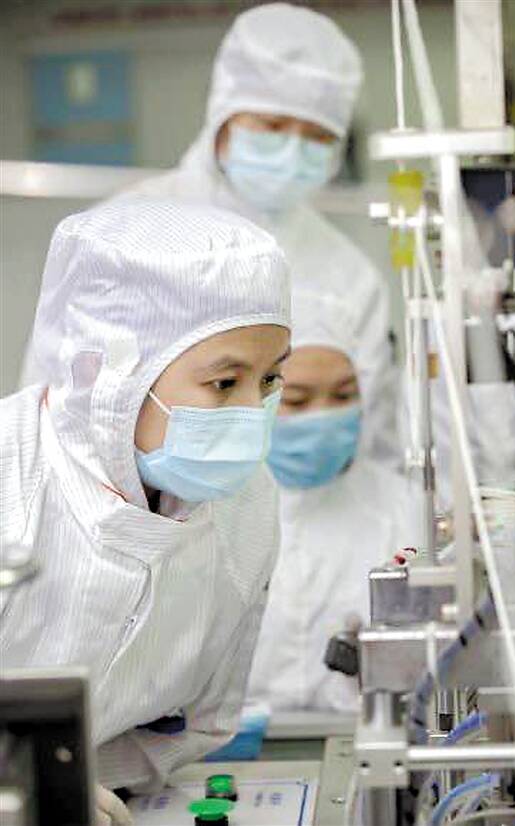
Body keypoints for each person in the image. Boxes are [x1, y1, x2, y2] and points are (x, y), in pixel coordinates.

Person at [0, 199, 290, 822]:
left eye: (269, 380)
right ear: (109, 375)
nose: (252, 413)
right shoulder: (9, 476)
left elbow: (193, 724)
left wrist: (83, 782)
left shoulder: (244, 503)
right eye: (224, 383)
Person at [116, 1, 396, 462]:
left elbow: (373, 438)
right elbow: (64, 401)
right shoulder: (128, 230)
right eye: (272, 125)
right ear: (223, 117)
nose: (292, 151)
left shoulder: (348, 271)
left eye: (318, 136)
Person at [246, 289, 419, 713]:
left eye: (342, 396)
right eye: (297, 399)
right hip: (232, 744)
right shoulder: (211, 510)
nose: (322, 415)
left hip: (367, 738)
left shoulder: (405, 509)